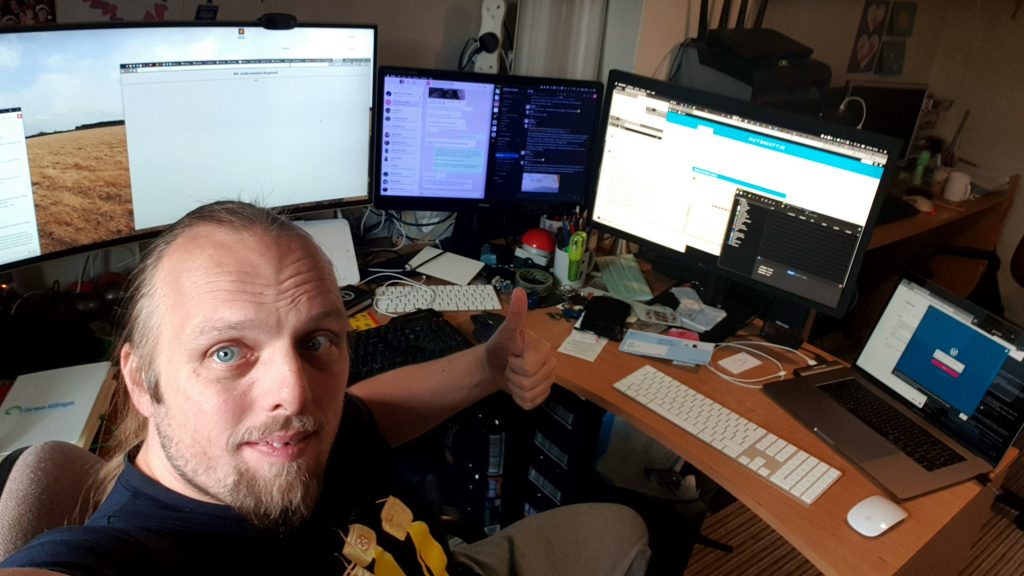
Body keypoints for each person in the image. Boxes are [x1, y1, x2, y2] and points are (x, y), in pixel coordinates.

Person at [0, 201, 649, 576]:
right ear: (141, 380)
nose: (297, 394)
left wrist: (487, 365)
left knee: (623, 527)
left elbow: (375, 413)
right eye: (228, 351)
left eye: (316, 342)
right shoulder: (124, 554)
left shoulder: (285, 439)